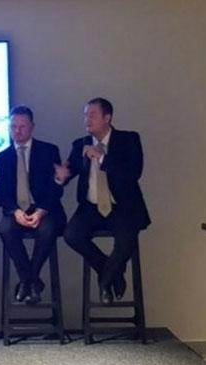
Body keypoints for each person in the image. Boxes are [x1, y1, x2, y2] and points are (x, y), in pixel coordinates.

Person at [55, 98, 151, 304]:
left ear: (107, 118)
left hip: (123, 207)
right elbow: (69, 171)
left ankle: (105, 280)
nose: (86, 120)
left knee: (126, 242)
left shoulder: (129, 140)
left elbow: (133, 173)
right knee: (71, 235)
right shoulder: (80, 144)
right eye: (85, 115)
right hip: (91, 207)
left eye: (92, 115)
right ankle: (111, 272)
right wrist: (61, 177)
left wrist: (102, 158)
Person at [0, 106, 66, 304]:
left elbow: (56, 189)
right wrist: (16, 211)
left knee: (48, 229)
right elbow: (2, 195)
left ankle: (27, 281)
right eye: (13, 127)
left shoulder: (49, 151)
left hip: (45, 209)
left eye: (22, 126)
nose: (17, 131)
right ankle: (33, 282)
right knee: (5, 229)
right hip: (16, 211)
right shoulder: (2, 157)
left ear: (32, 127)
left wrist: (41, 211)